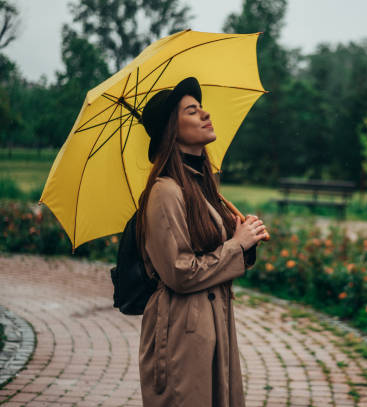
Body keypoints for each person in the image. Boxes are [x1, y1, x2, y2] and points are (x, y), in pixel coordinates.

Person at [136, 77, 267, 406]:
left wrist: (245, 241)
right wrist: (237, 245)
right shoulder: (165, 192)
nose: (205, 114)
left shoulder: (200, 186)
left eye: (201, 108)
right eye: (192, 111)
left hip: (212, 323)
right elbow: (180, 272)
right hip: (182, 330)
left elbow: (211, 254)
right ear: (172, 129)